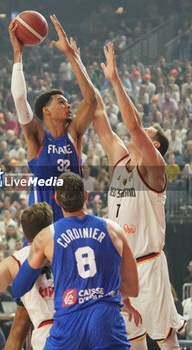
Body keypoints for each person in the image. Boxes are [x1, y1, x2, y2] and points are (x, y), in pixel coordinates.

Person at [92, 43, 185, 350]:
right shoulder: (120, 162)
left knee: (167, 342)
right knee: (132, 343)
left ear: (155, 146)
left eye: (148, 133)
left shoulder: (156, 168)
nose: (140, 132)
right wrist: (74, 58)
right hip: (120, 267)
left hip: (148, 264)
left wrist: (116, 80)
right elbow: (98, 113)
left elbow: (131, 126)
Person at [12, 173, 139, 350]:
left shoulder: (47, 236)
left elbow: (18, 287)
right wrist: (101, 290)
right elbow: (133, 289)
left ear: (56, 200)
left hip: (68, 322)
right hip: (106, 320)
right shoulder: (114, 230)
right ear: (85, 195)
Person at [9, 14, 97, 222]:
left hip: (73, 226)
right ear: (46, 111)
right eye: (61, 102)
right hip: (43, 227)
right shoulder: (37, 137)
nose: (68, 105)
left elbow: (91, 100)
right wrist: (17, 54)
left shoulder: (74, 134)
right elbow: (20, 98)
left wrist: (71, 54)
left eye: (67, 102)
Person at [0, 202, 54, 350]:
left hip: (47, 334)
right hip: (79, 327)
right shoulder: (67, 246)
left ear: (24, 232)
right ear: (50, 227)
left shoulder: (15, 261)